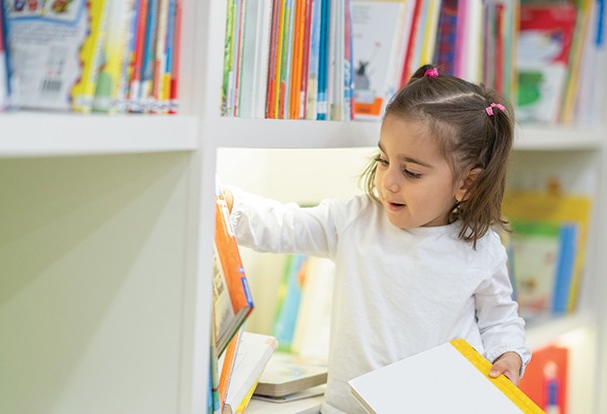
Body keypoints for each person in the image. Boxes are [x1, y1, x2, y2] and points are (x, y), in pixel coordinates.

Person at [223, 64, 530, 414]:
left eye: (411, 172)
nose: (389, 181)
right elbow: (283, 225)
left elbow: (500, 320)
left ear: (466, 184)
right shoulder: (356, 220)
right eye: (384, 159)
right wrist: (227, 202)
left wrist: (509, 354)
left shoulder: (480, 248)